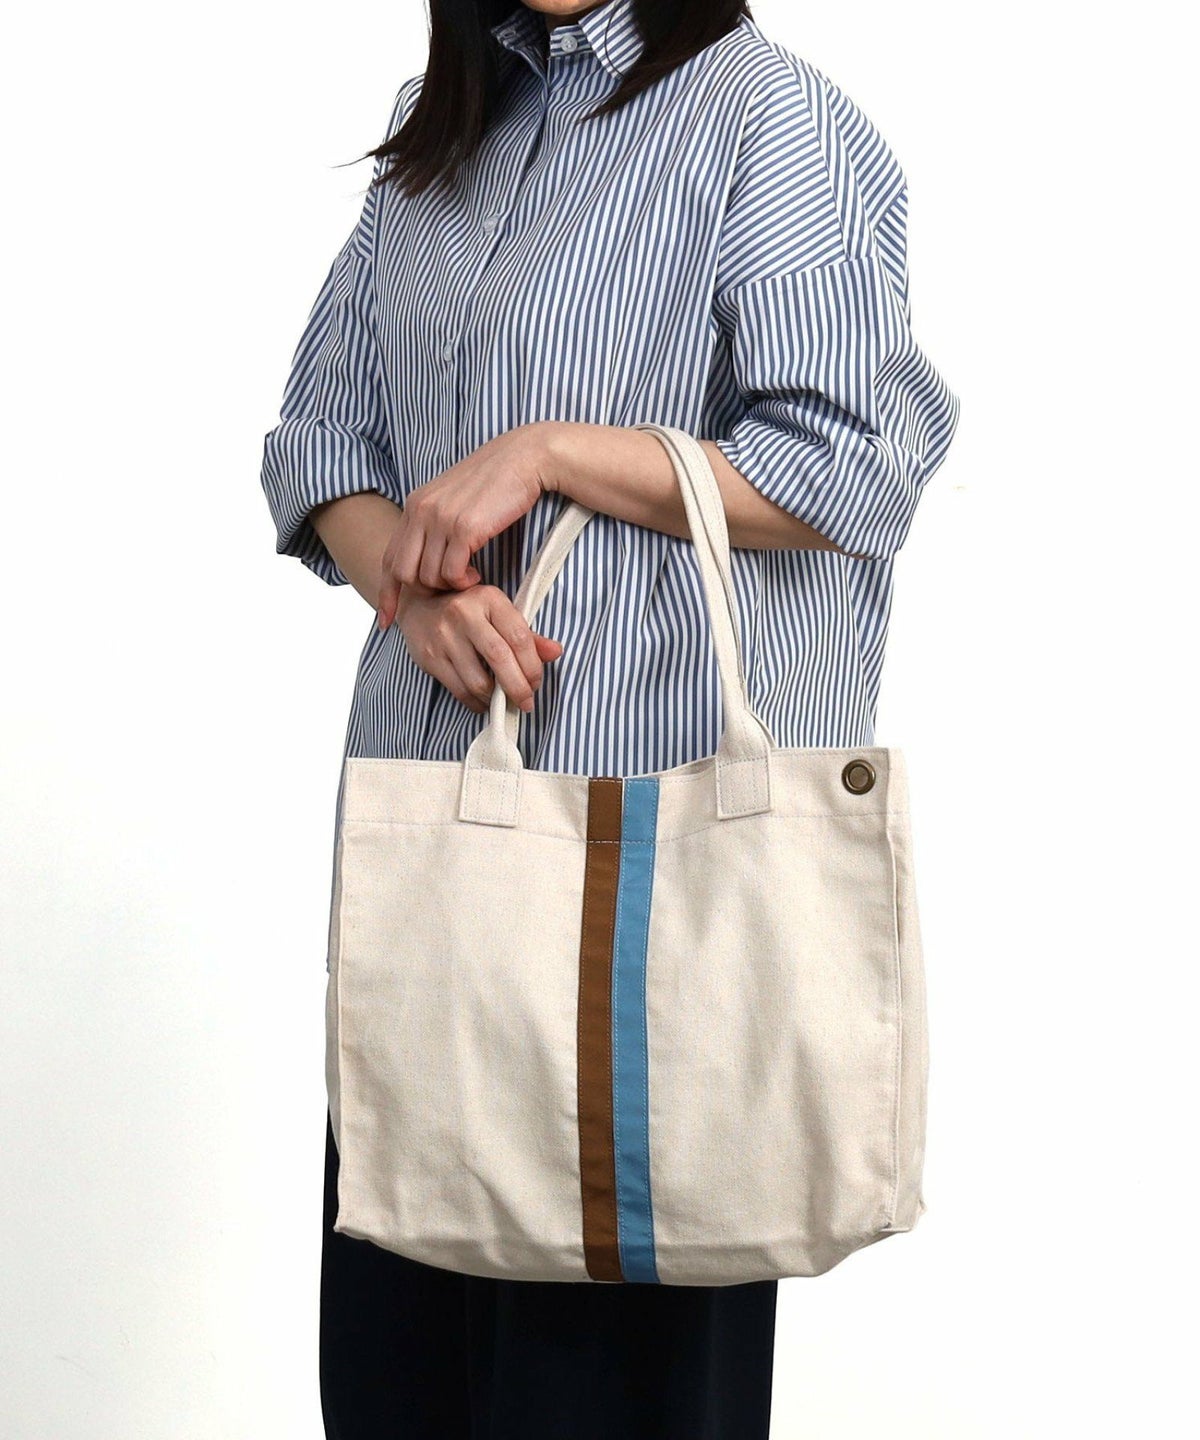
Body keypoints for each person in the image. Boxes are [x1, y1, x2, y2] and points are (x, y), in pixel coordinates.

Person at [259, 1, 960, 1435]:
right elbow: (319, 441)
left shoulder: (769, 119)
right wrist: (413, 588)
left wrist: (555, 454)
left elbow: (853, 467)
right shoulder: (448, 134)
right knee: (399, 1382)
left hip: (664, 903)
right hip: (442, 873)